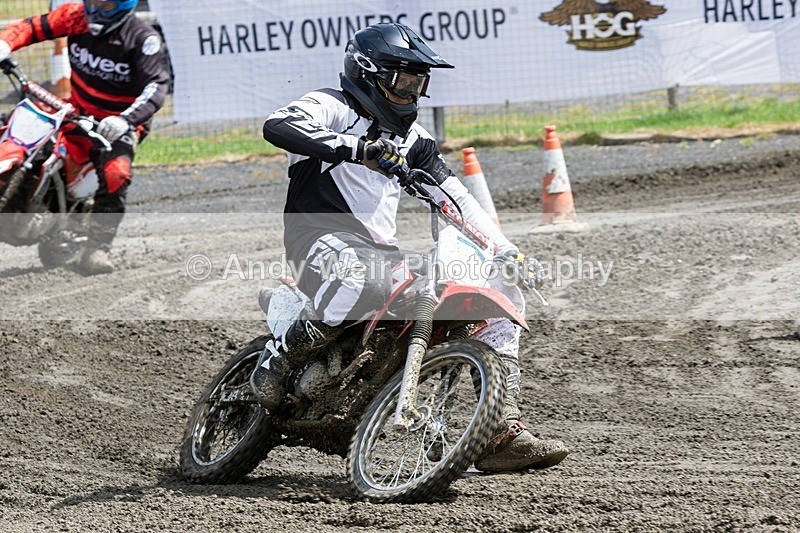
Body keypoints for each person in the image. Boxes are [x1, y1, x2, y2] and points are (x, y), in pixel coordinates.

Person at [252, 23, 569, 472]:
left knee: (500, 294)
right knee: (362, 273)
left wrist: (506, 251)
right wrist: (359, 149)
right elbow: (277, 125)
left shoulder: (415, 141)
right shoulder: (332, 105)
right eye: (400, 80)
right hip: (318, 239)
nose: (408, 92)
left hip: (380, 251)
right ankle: (282, 353)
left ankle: (499, 427)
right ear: (366, 73)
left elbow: (457, 198)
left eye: (417, 82)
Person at [0, 0, 169, 275]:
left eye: (105, 4)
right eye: (92, 1)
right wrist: (5, 43)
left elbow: (157, 85)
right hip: (75, 109)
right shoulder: (75, 16)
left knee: (117, 173)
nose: (95, 9)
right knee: (13, 124)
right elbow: (30, 27)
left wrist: (125, 120)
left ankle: (97, 247)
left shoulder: (143, 38)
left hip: (117, 124)